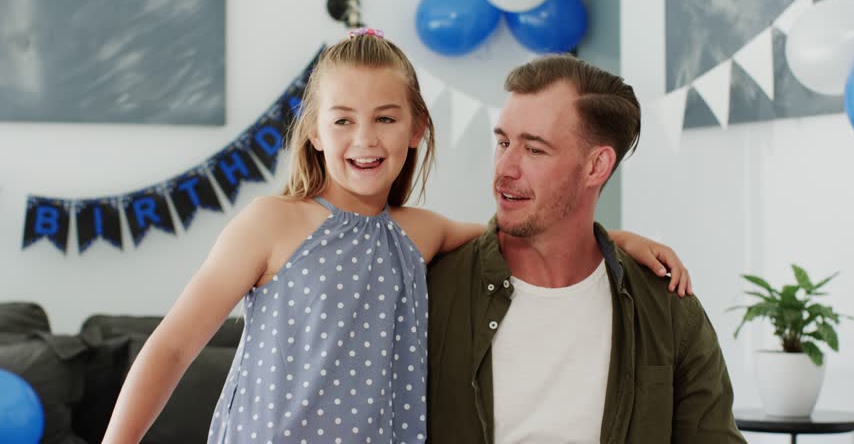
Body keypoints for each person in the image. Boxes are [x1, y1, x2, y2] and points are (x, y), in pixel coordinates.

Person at [102, 31, 693, 444]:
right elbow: (173, 346)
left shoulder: (418, 233)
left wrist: (617, 238)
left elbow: (526, 233)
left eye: (386, 118)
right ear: (312, 132)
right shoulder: (271, 223)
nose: (366, 138)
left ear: (417, 129)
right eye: (343, 120)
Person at [427, 54, 746, 443]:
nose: (504, 169)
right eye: (503, 142)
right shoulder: (431, 288)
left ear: (597, 166)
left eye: (534, 150)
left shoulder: (666, 306)